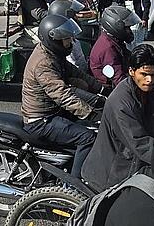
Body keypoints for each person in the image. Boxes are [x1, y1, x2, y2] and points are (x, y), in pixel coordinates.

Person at [83, 44, 154, 191]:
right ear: (132, 71)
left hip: (133, 167)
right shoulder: (121, 102)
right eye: (144, 74)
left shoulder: (144, 92)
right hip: (112, 176)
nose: (149, 80)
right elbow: (141, 144)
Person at [21, 14, 105, 180]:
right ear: (54, 40)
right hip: (41, 121)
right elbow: (62, 95)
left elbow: (77, 74)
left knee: (92, 122)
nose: (71, 42)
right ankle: (74, 187)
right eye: (67, 39)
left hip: (52, 111)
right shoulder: (43, 63)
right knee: (88, 138)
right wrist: (90, 113)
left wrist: (104, 90)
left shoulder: (52, 54)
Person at [89, 5, 140, 86]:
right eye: (127, 28)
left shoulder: (113, 40)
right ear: (116, 26)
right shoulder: (108, 48)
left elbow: (129, 57)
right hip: (110, 89)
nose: (129, 31)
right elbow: (119, 80)